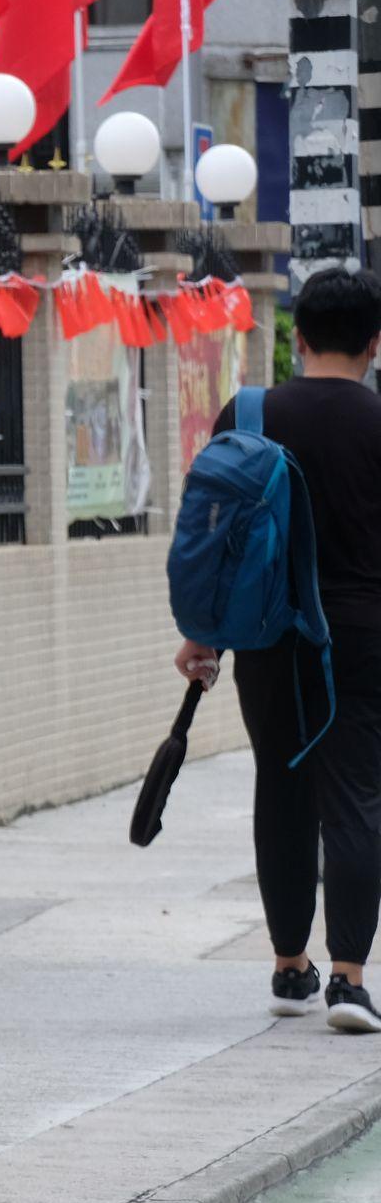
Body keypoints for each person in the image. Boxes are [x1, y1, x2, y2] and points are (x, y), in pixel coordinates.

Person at [174, 267, 381, 1032]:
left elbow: (218, 541)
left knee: (282, 788)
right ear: (374, 341)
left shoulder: (251, 411)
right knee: (357, 792)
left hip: (267, 637)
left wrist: (202, 633)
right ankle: (351, 981)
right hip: (361, 638)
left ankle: (291, 968)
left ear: (300, 335)